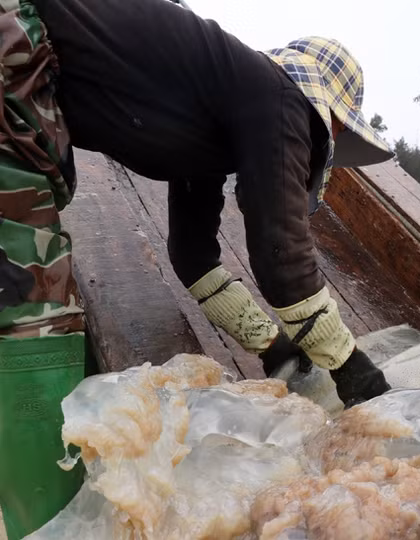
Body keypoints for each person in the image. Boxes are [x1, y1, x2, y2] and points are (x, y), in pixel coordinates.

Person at [0, 0, 392, 535]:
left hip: (27, 59)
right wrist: (351, 368)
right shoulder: (278, 96)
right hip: (16, 35)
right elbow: (282, 255)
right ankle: (48, 525)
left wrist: (270, 345)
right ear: (331, 116)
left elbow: (193, 257)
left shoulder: (216, 116)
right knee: (32, 298)